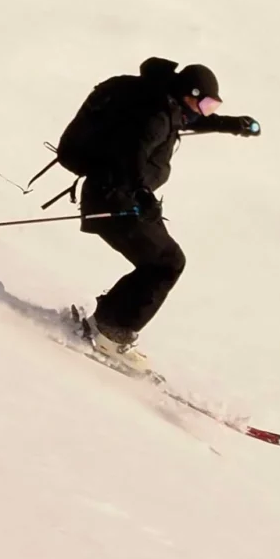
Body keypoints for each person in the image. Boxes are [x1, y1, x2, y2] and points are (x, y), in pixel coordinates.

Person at [61, 58, 259, 359]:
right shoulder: (155, 115)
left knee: (161, 262)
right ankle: (111, 331)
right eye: (205, 104)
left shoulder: (164, 106)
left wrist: (229, 124)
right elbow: (132, 154)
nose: (205, 112)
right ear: (188, 94)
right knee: (167, 263)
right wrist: (142, 194)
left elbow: (183, 122)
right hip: (116, 201)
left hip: (115, 198)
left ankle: (107, 325)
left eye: (212, 108)